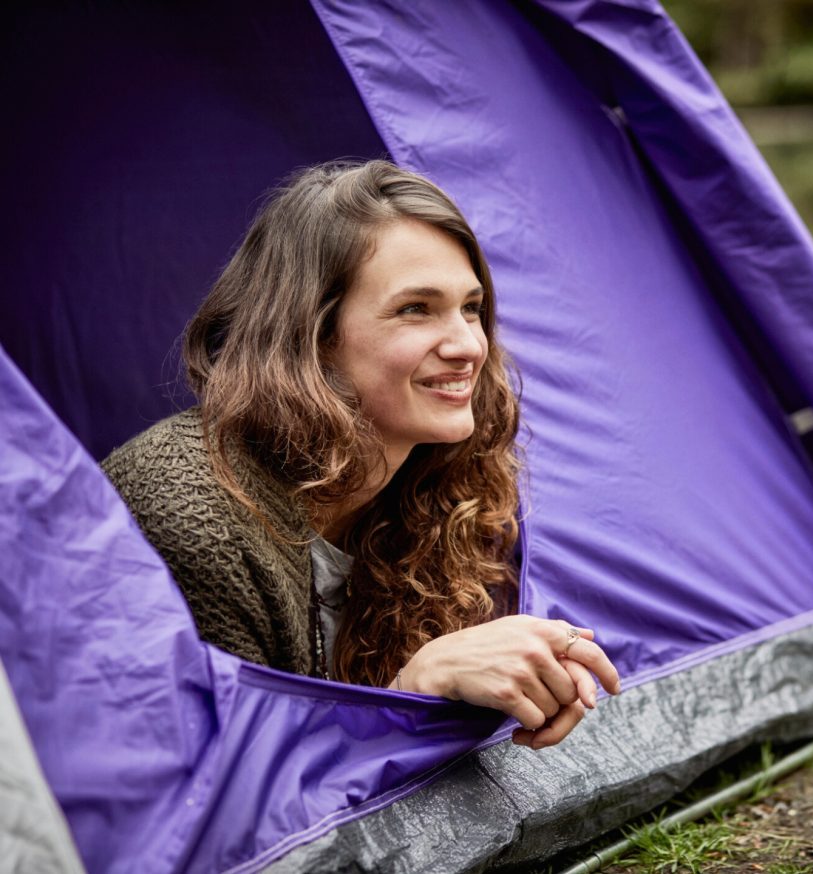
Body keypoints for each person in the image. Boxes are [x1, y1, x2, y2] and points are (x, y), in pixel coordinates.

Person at [103, 160, 619, 749]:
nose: (468, 346)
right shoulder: (191, 513)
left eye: (471, 308)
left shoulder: (437, 483)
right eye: (415, 309)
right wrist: (415, 690)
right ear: (311, 336)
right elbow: (225, 793)